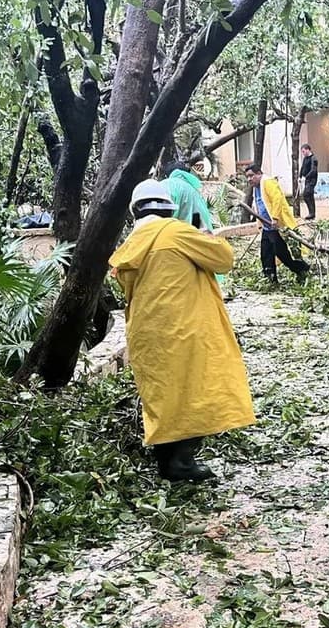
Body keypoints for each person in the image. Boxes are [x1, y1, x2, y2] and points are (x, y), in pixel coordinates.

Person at [109, 179, 255, 484]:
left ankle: (167, 461)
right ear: (167, 209)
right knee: (196, 394)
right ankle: (182, 463)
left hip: (147, 333)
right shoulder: (176, 232)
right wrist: (205, 236)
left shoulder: (131, 245)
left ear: (135, 211)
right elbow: (223, 259)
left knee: (163, 397)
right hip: (184, 330)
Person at [243, 163, 310, 285]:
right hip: (267, 227)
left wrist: (274, 217)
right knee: (265, 252)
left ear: (259, 174)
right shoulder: (256, 187)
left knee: (282, 253)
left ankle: (302, 269)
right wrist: (260, 223)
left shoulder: (268, 182)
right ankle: (270, 278)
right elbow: (259, 205)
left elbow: (277, 199)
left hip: (276, 226)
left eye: (251, 176)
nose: (249, 179)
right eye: (247, 177)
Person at [162, 159, 225, 286]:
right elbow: (198, 219)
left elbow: (164, 213)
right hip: (196, 238)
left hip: (175, 240)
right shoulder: (192, 191)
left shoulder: (167, 185)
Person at [298, 143, 318, 220]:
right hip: (306, 179)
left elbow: (313, 170)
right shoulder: (305, 158)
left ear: (307, 149)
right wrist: (300, 176)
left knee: (306, 195)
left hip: (311, 180)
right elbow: (302, 167)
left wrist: (305, 177)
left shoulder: (314, 158)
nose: (303, 153)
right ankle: (312, 213)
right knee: (309, 196)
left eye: (303, 151)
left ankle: (312, 213)